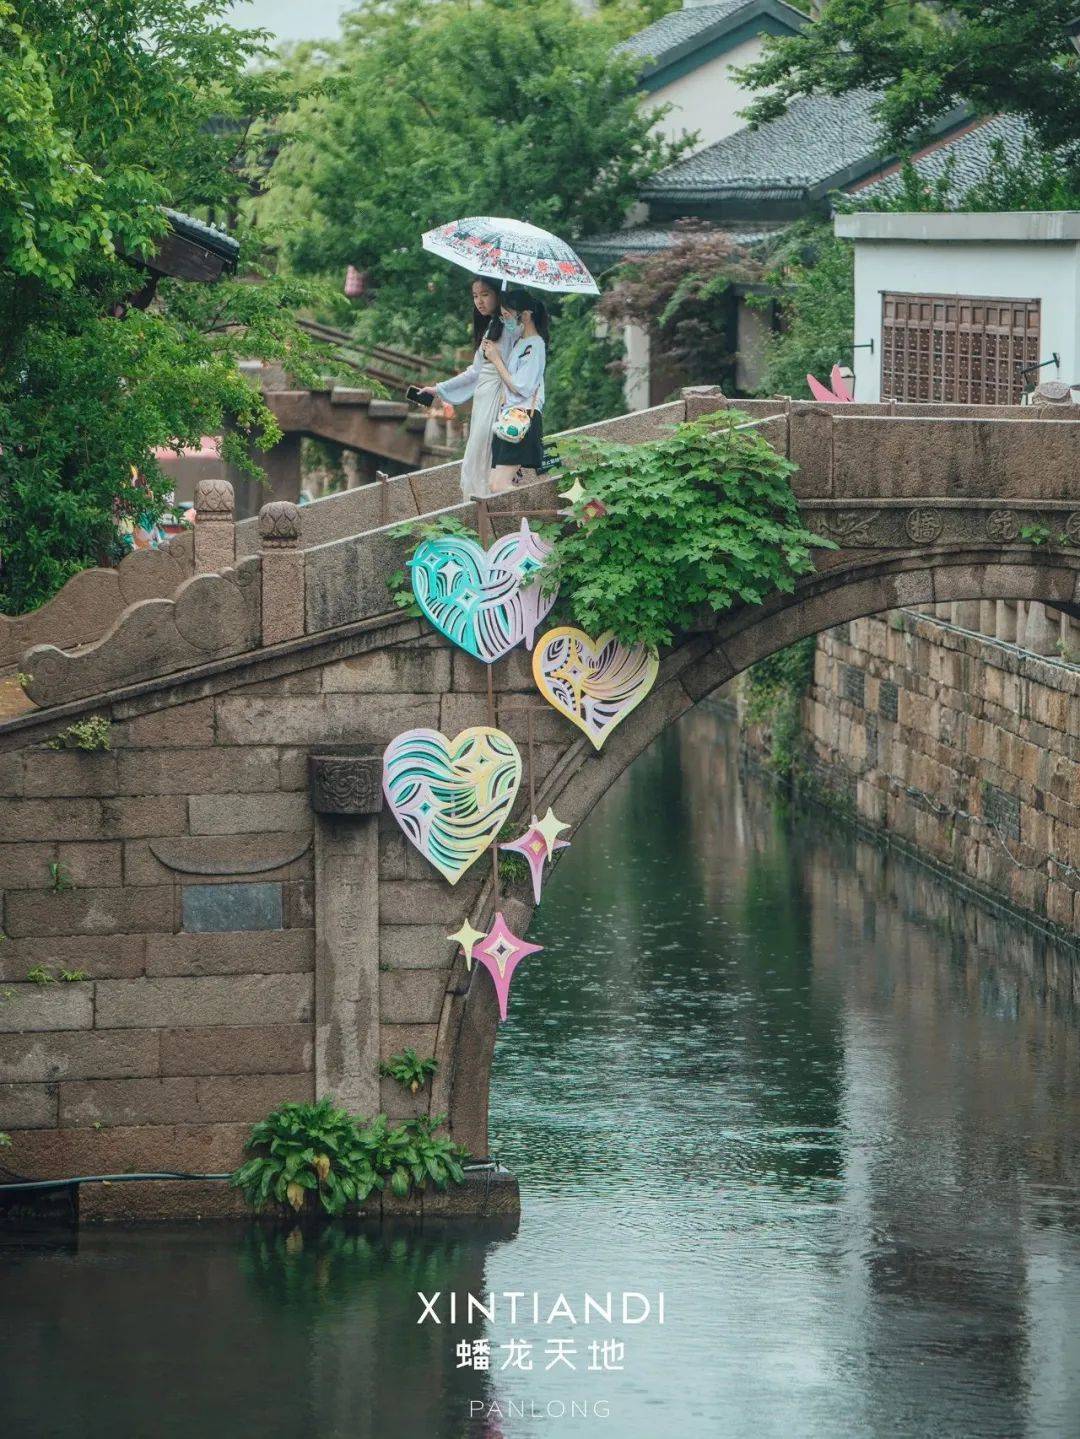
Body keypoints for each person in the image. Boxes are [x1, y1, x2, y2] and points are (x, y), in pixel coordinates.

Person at [418, 276, 520, 501]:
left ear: (497, 295)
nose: (479, 301)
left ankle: (488, 504)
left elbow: (516, 368)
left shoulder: (510, 325)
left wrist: (509, 318)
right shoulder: (491, 326)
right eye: (475, 296)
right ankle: (477, 505)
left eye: (485, 294)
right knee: (475, 451)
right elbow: (475, 372)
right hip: (483, 398)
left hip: (499, 396)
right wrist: (438, 389)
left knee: (485, 449)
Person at [482, 289, 548, 494]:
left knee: (498, 485)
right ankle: (526, 520)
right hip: (509, 419)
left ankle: (534, 513)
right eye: (502, 315)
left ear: (525, 315)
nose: (504, 319)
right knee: (494, 485)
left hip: (522, 418)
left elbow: (522, 387)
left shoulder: (535, 345)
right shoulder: (521, 343)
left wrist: (496, 359)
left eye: (508, 315)